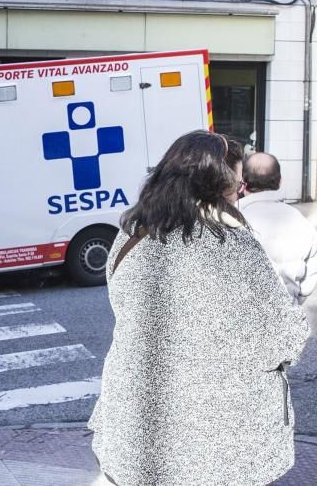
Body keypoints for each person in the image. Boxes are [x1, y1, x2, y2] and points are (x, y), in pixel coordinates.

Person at [88, 131, 310, 485]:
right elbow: (279, 338)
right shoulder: (231, 244)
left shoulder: (131, 233)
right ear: (217, 187)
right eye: (237, 184)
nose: (240, 191)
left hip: (137, 424)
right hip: (216, 434)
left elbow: (122, 304)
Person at [239, 152, 317, 306]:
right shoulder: (302, 222)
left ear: (243, 184)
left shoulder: (232, 220)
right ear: (280, 182)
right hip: (287, 318)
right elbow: (308, 285)